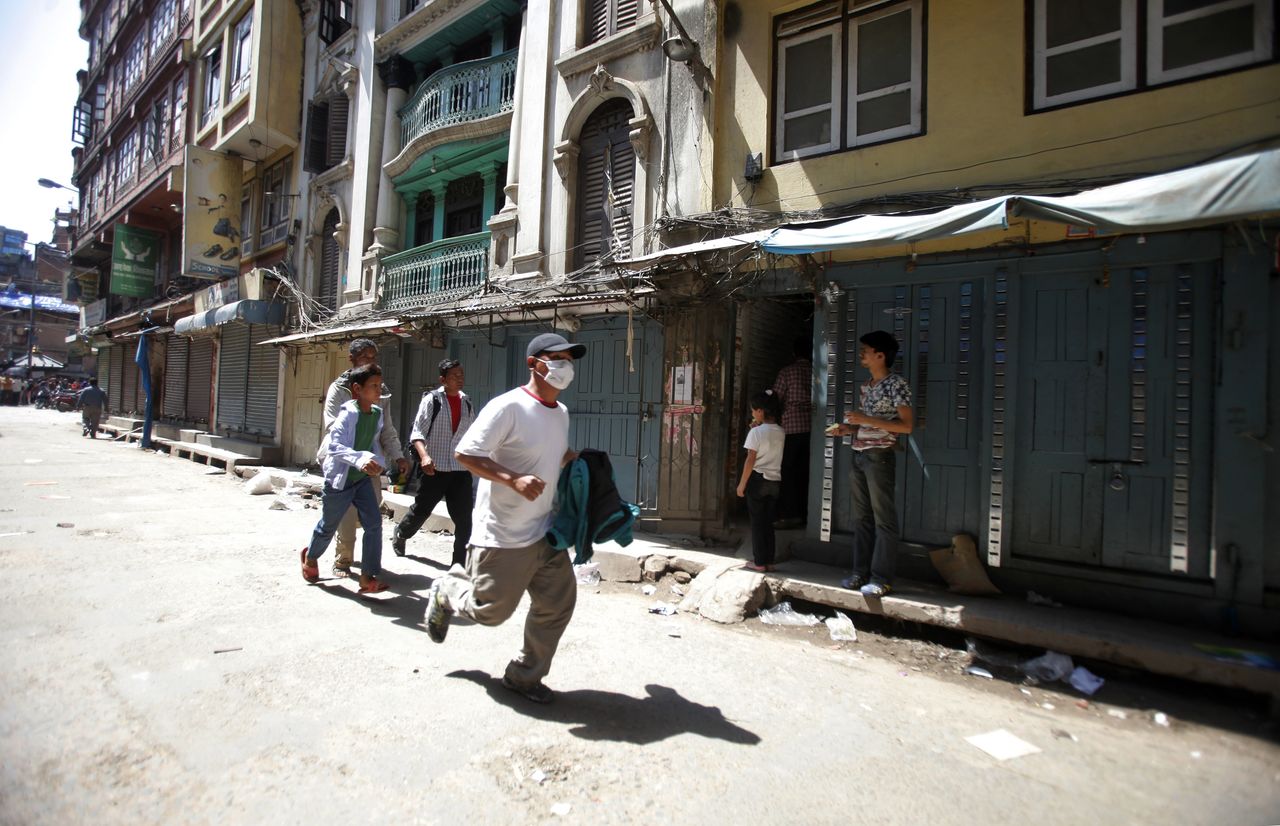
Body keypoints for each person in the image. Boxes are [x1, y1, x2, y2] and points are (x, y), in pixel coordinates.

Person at [424, 332, 585, 705]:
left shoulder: (560, 413)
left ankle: (523, 677)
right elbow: (466, 453)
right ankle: (447, 591)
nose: (566, 367)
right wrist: (513, 479)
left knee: (558, 603)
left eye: (569, 360)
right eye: (557, 358)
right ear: (534, 364)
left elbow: (550, 454)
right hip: (503, 533)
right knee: (490, 612)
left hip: (545, 530)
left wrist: (574, 460)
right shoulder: (507, 406)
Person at [831, 330, 914, 598]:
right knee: (863, 519)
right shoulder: (867, 385)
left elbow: (907, 426)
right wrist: (848, 429)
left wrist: (863, 419)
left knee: (883, 521)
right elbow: (868, 424)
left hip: (879, 457)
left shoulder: (896, 384)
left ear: (881, 355)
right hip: (859, 453)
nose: (862, 354)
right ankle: (859, 573)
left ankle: (881, 579)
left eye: (866, 350)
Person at [320, 338, 408, 578]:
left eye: (373, 357)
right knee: (345, 515)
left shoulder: (381, 390)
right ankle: (343, 561)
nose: (370, 361)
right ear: (352, 360)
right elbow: (333, 431)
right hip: (343, 464)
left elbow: (387, 430)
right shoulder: (339, 390)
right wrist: (357, 458)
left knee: (370, 517)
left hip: (371, 466)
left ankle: (369, 570)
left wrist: (398, 456)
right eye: (365, 357)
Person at [300, 363, 390, 595]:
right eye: (373, 386)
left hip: (361, 481)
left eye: (379, 385)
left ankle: (368, 577)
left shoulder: (377, 414)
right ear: (357, 389)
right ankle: (310, 557)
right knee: (328, 527)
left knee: (373, 524)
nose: (379, 390)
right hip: (340, 481)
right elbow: (335, 446)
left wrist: (378, 464)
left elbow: (373, 443)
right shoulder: (348, 413)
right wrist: (360, 461)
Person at [390, 358, 476, 566]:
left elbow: (473, 433)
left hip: (459, 469)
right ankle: (401, 532)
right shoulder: (433, 400)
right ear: (443, 380)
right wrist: (424, 456)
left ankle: (459, 567)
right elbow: (417, 432)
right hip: (433, 468)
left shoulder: (467, 402)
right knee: (422, 510)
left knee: (464, 520)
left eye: (461, 375)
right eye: (454, 376)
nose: (459, 379)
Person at [736, 390, 785, 573]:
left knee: (757, 523)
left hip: (757, 480)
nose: (752, 414)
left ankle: (758, 562)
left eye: (753, 410)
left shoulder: (756, 433)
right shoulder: (781, 431)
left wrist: (742, 484)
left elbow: (750, 459)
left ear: (760, 411)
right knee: (768, 523)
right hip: (775, 481)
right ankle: (769, 561)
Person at [771, 336, 813, 528]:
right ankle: (808, 513)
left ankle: (790, 514)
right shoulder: (817, 371)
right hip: (812, 428)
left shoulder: (787, 372)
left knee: (788, 472)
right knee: (806, 471)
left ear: (794, 353)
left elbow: (775, 398)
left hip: (791, 428)